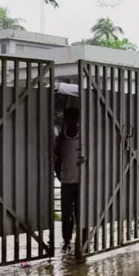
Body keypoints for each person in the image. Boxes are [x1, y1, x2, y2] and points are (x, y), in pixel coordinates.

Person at [54, 107, 84, 252]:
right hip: (66, 182)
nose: (71, 122)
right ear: (65, 121)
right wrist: (59, 176)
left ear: (77, 120)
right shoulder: (61, 139)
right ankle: (67, 241)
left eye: (74, 119)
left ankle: (82, 241)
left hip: (80, 182)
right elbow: (57, 159)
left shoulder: (83, 138)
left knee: (80, 213)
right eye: (69, 119)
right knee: (66, 215)